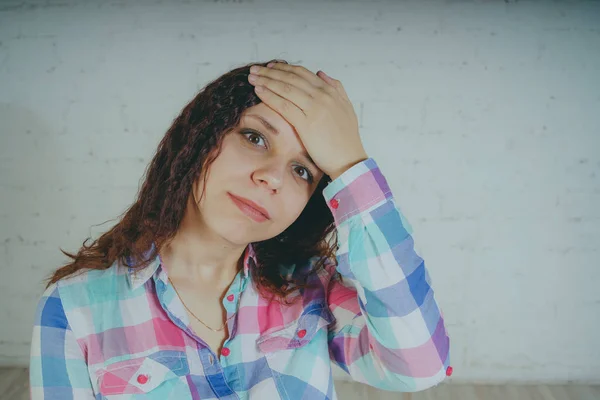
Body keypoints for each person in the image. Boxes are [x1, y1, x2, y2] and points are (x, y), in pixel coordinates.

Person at [29, 59, 452, 399]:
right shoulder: (74, 307)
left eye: (302, 170)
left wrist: (350, 165)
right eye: (254, 137)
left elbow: (419, 365)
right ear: (200, 140)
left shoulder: (310, 285)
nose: (272, 177)